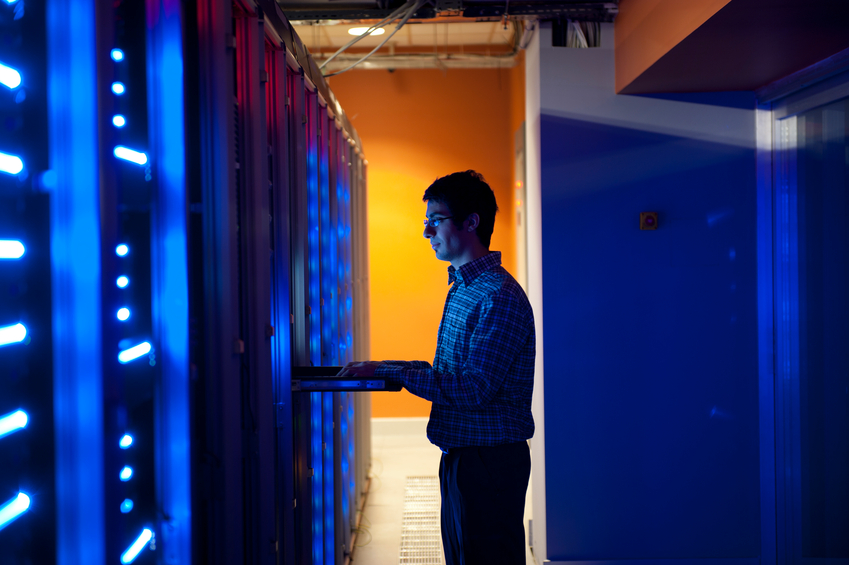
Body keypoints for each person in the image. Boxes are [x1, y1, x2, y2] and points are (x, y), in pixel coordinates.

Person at [339, 170, 535, 565]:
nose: (427, 231)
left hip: (490, 461)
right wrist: (382, 366)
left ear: (471, 221)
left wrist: (394, 373)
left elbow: (473, 388)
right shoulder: (464, 286)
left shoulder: (498, 297)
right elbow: (449, 372)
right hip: (464, 455)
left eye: (436, 219)